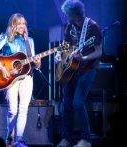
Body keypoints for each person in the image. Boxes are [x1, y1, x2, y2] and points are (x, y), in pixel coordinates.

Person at [0, 13, 41, 147]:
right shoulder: (6, 38)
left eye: (24, 24)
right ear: (13, 25)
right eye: (19, 23)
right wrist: (1, 68)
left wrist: (38, 63)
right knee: (13, 110)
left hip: (27, 77)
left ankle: (19, 140)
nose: (22, 26)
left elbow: (34, 63)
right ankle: (9, 137)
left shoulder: (30, 41)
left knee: (23, 109)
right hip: (9, 77)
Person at [55, 0, 102, 147]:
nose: (65, 16)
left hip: (87, 69)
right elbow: (66, 45)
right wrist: (59, 53)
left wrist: (85, 57)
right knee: (66, 104)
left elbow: (99, 52)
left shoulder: (92, 27)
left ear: (72, 14)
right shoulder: (70, 26)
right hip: (71, 70)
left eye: (66, 14)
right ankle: (66, 139)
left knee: (77, 102)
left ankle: (86, 140)